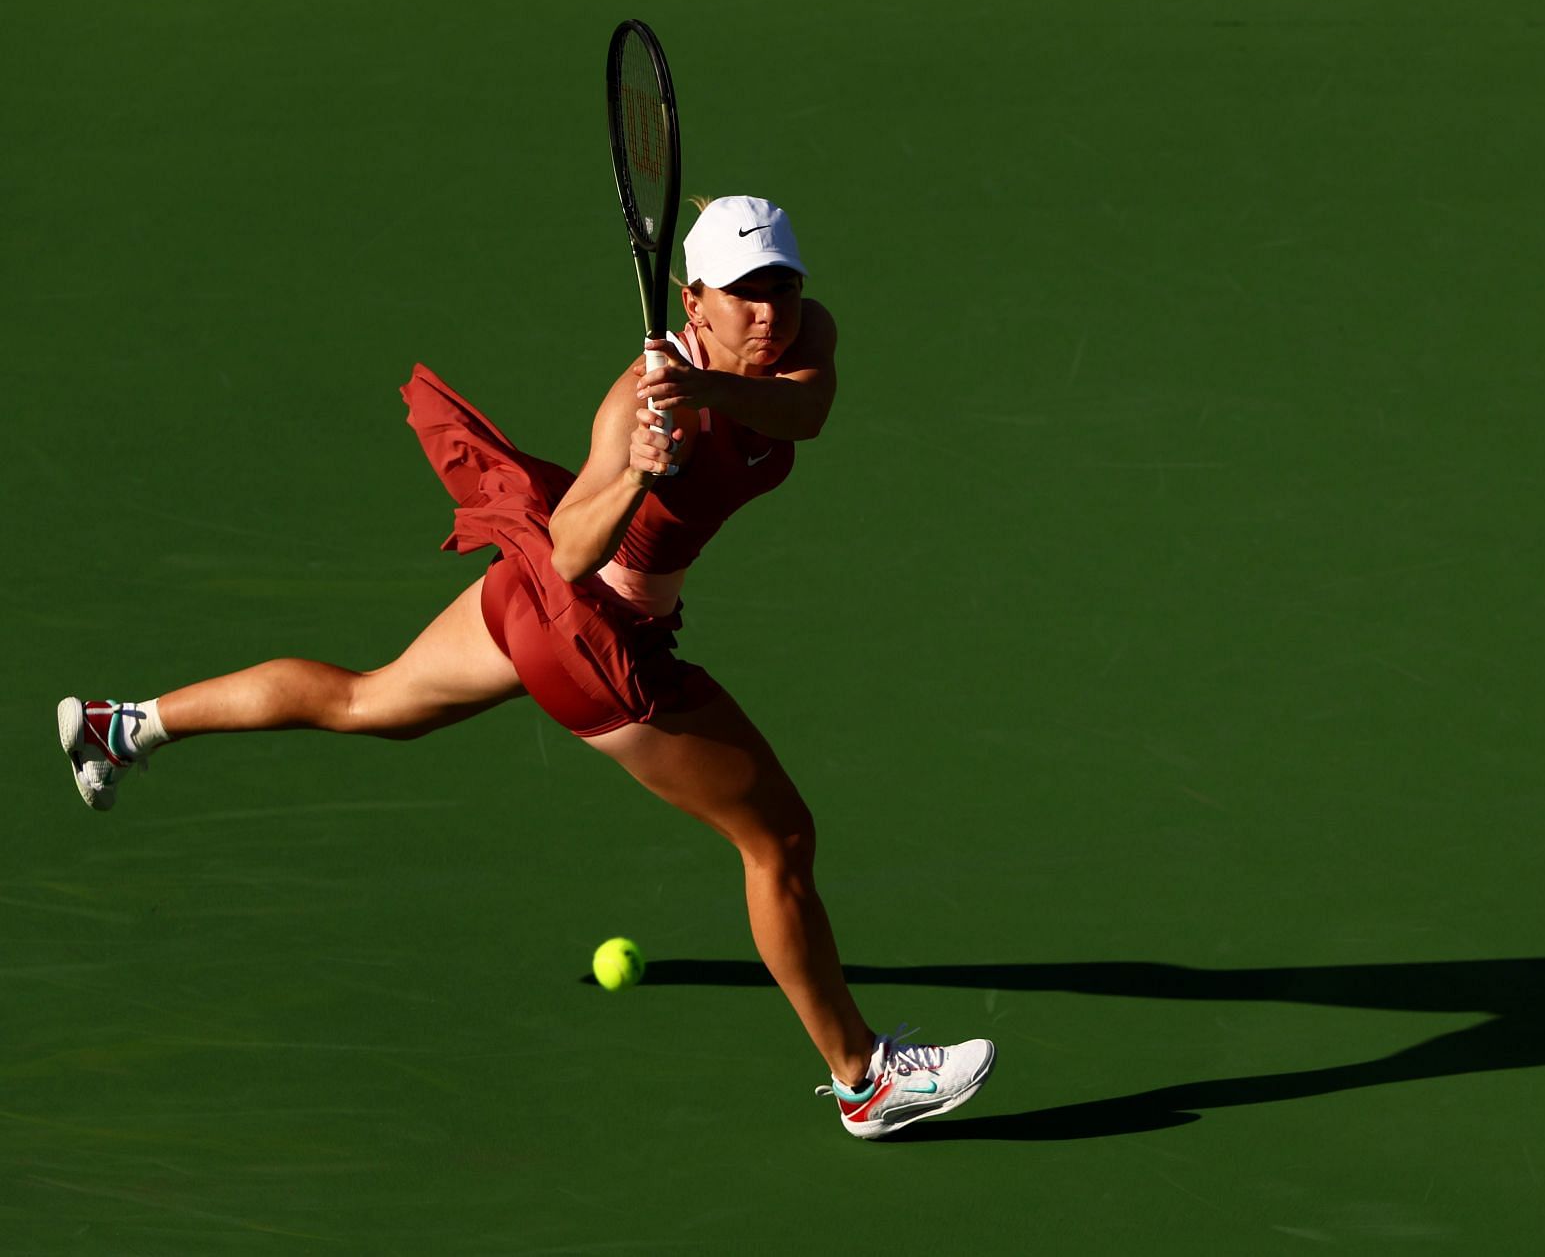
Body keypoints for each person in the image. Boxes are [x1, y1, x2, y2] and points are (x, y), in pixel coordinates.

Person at [55, 195, 993, 1140]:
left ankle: (124, 726)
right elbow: (578, 552)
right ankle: (863, 1078)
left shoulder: (790, 341)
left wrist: (706, 397)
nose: (771, 312)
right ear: (693, 300)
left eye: (783, 287)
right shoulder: (637, 400)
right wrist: (636, 472)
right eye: (744, 295)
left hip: (545, 603)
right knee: (777, 840)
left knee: (371, 700)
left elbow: (808, 410)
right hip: (586, 631)